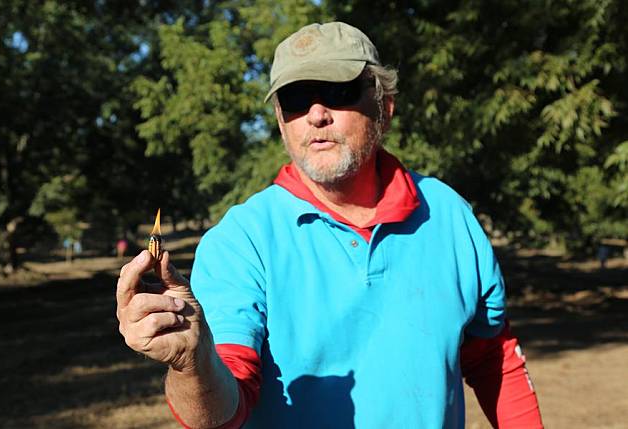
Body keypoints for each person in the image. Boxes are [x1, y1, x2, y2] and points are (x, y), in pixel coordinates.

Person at [117, 22, 543, 428]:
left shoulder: (448, 215)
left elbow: (492, 356)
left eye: (339, 91)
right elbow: (225, 410)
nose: (316, 114)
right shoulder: (241, 241)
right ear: (282, 122)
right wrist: (193, 366)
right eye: (296, 100)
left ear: (384, 107)